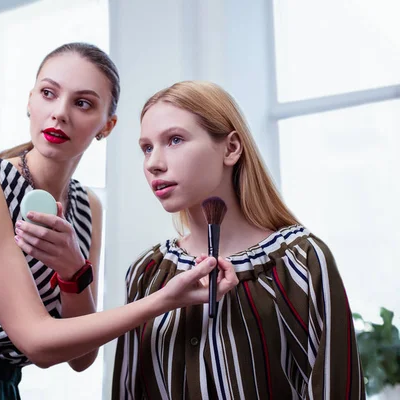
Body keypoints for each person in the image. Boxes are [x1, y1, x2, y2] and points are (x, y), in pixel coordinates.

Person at [0, 45, 238, 400]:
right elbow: (37, 342)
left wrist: (72, 271)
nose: (60, 112)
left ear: (107, 126)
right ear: (30, 101)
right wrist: (163, 300)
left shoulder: (86, 207)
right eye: (48, 93)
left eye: (83, 103)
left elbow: (81, 358)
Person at [112, 81, 365, 400]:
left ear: (231, 148)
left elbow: (338, 388)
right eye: (146, 147)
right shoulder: (146, 273)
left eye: (175, 140)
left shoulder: (301, 261)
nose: (153, 163)